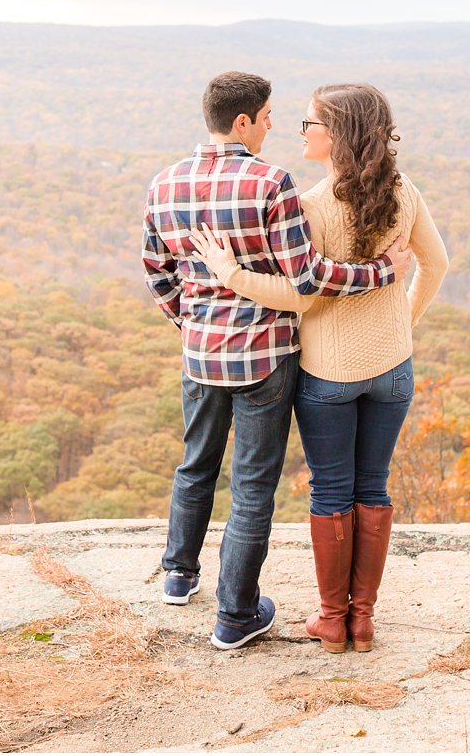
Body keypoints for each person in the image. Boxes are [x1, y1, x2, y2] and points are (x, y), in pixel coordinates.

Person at [141, 71, 413, 651]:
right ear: (242, 122)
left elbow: (155, 270)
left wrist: (189, 322)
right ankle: (235, 615)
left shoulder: (164, 184)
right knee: (253, 486)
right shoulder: (271, 184)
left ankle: (178, 575)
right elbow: (308, 277)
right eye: (266, 118)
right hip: (265, 355)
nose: (272, 128)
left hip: (200, 354)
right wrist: (382, 273)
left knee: (196, 464)